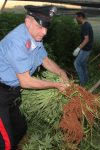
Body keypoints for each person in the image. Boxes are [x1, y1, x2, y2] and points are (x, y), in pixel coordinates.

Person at [0, 5, 69, 150]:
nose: (44, 32)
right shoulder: (16, 42)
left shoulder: (34, 36)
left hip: (12, 94)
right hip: (1, 94)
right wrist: (56, 85)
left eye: (46, 27)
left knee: (20, 128)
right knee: (5, 142)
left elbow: (44, 59)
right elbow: (25, 81)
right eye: (40, 27)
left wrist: (61, 72)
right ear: (28, 22)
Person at [73, 12, 94, 85]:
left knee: (77, 63)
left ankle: (82, 83)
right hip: (88, 48)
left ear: (80, 17)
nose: (76, 19)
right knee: (83, 64)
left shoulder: (85, 26)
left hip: (86, 49)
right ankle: (86, 80)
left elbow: (86, 39)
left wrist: (78, 48)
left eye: (76, 18)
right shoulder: (87, 24)